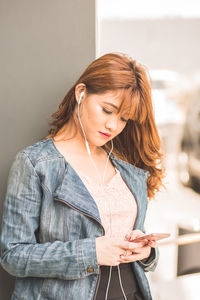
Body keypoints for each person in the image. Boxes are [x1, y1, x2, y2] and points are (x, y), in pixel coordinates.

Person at [0, 52, 164, 300]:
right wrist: (91, 253)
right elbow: (12, 256)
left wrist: (146, 251)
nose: (113, 126)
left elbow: (136, 237)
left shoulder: (127, 168)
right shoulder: (36, 164)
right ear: (81, 93)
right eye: (107, 110)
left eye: (123, 119)